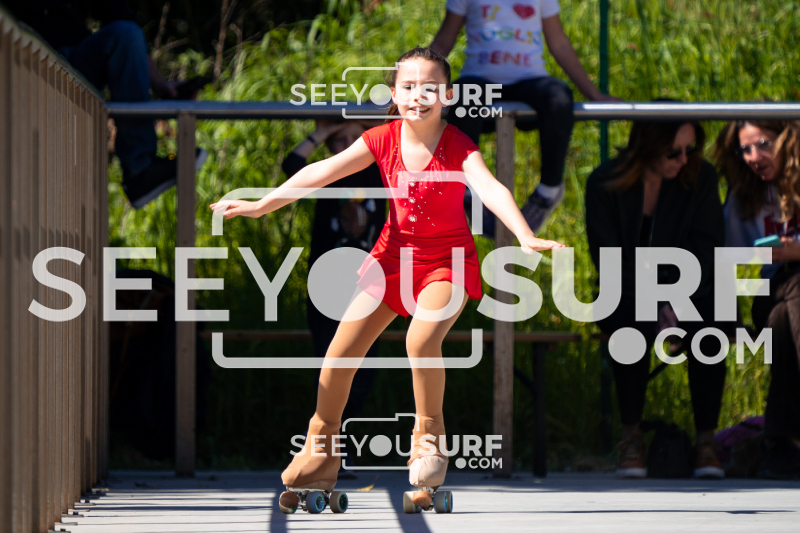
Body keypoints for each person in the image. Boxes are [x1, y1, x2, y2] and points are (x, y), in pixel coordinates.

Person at [211, 46, 563, 511]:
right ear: (393, 94)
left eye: (430, 87)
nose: (419, 96)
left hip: (447, 263)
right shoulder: (381, 138)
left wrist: (523, 233)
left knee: (421, 340)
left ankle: (429, 441)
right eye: (409, 87)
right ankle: (321, 450)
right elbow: (320, 172)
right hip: (392, 260)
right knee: (339, 353)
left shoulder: (458, 144)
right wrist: (261, 204)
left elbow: (490, 187)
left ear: (448, 95)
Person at [585, 115, 728, 479]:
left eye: (689, 149)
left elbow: (707, 247)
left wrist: (674, 298)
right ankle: (631, 436)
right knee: (630, 320)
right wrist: (655, 299)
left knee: (714, 317)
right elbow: (609, 259)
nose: (683, 159)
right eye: (673, 152)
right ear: (648, 147)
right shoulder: (604, 183)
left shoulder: (700, 177)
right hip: (627, 288)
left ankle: (706, 440)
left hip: (690, 286)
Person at [431, 0, 620, 234]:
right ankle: (467, 189)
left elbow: (559, 43)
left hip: (529, 81)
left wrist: (593, 94)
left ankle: (549, 190)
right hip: (481, 82)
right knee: (463, 93)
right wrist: (415, 85)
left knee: (558, 96)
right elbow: (443, 41)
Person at [6, 0, 209, 209]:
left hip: (73, 64)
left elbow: (118, 15)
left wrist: (160, 85)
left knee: (126, 34)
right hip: (18, 57)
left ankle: (140, 171)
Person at [280, 118, 386, 477]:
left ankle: (341, 445)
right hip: (326, 284)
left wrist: (371, 128)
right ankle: (324, 447)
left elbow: (405, 151)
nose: (347, 147)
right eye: (339, 141)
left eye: (355, 139)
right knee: (329, 364)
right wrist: (323, 132)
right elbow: (292, 166)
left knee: (364, 368)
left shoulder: (378, 176)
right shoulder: (328, 177)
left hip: (369, 286)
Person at [715, 120, 800, 480]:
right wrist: (728, 319)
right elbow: (723, 257)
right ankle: (782, 442)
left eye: (763, 144)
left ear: (788, 139)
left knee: (783, 317)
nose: (753, 157)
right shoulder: (745, 197)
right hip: (773, 285)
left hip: (788, 298)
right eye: (745, 150)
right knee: (789, 296)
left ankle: (782, 444)